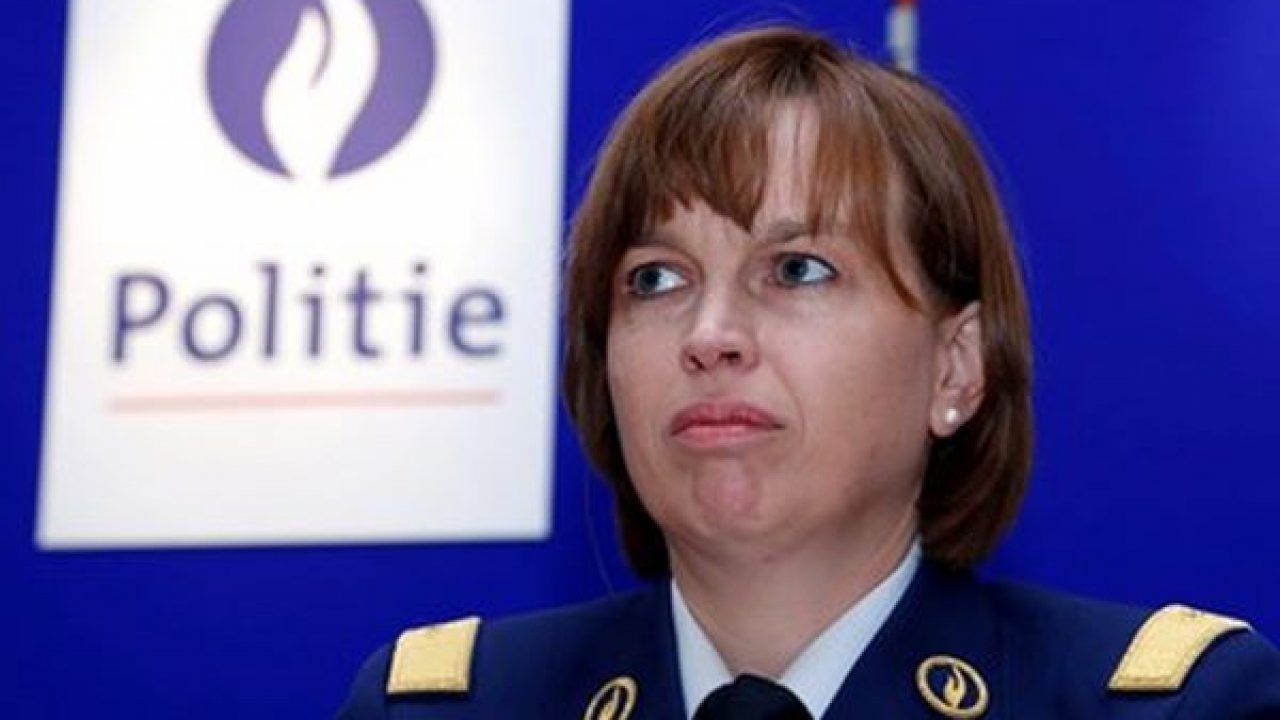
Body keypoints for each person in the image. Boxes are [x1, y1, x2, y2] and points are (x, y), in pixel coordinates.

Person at [337, 26, 1280, 719]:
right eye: (656, 279)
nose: (710, 335)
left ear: (955, 368)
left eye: (797, 270)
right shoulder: (441, 709)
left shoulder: (1168, 707)